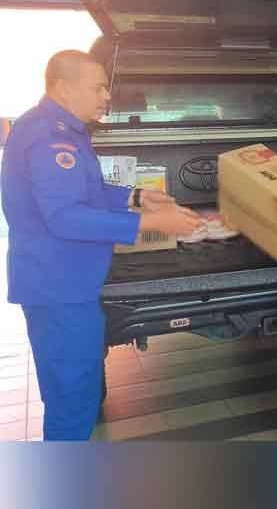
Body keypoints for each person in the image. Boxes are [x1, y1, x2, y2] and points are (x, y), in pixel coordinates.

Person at [2, 50, 204, 441]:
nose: (106, 97)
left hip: (66, 283)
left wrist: (136, 197)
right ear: (62, 88)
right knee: (72, 402)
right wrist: (152, 223)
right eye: (97, 88)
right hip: (59, 288)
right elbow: (65, 216)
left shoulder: (63, 129)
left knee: (74, 391)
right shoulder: (49, 138)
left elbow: (87, 190)